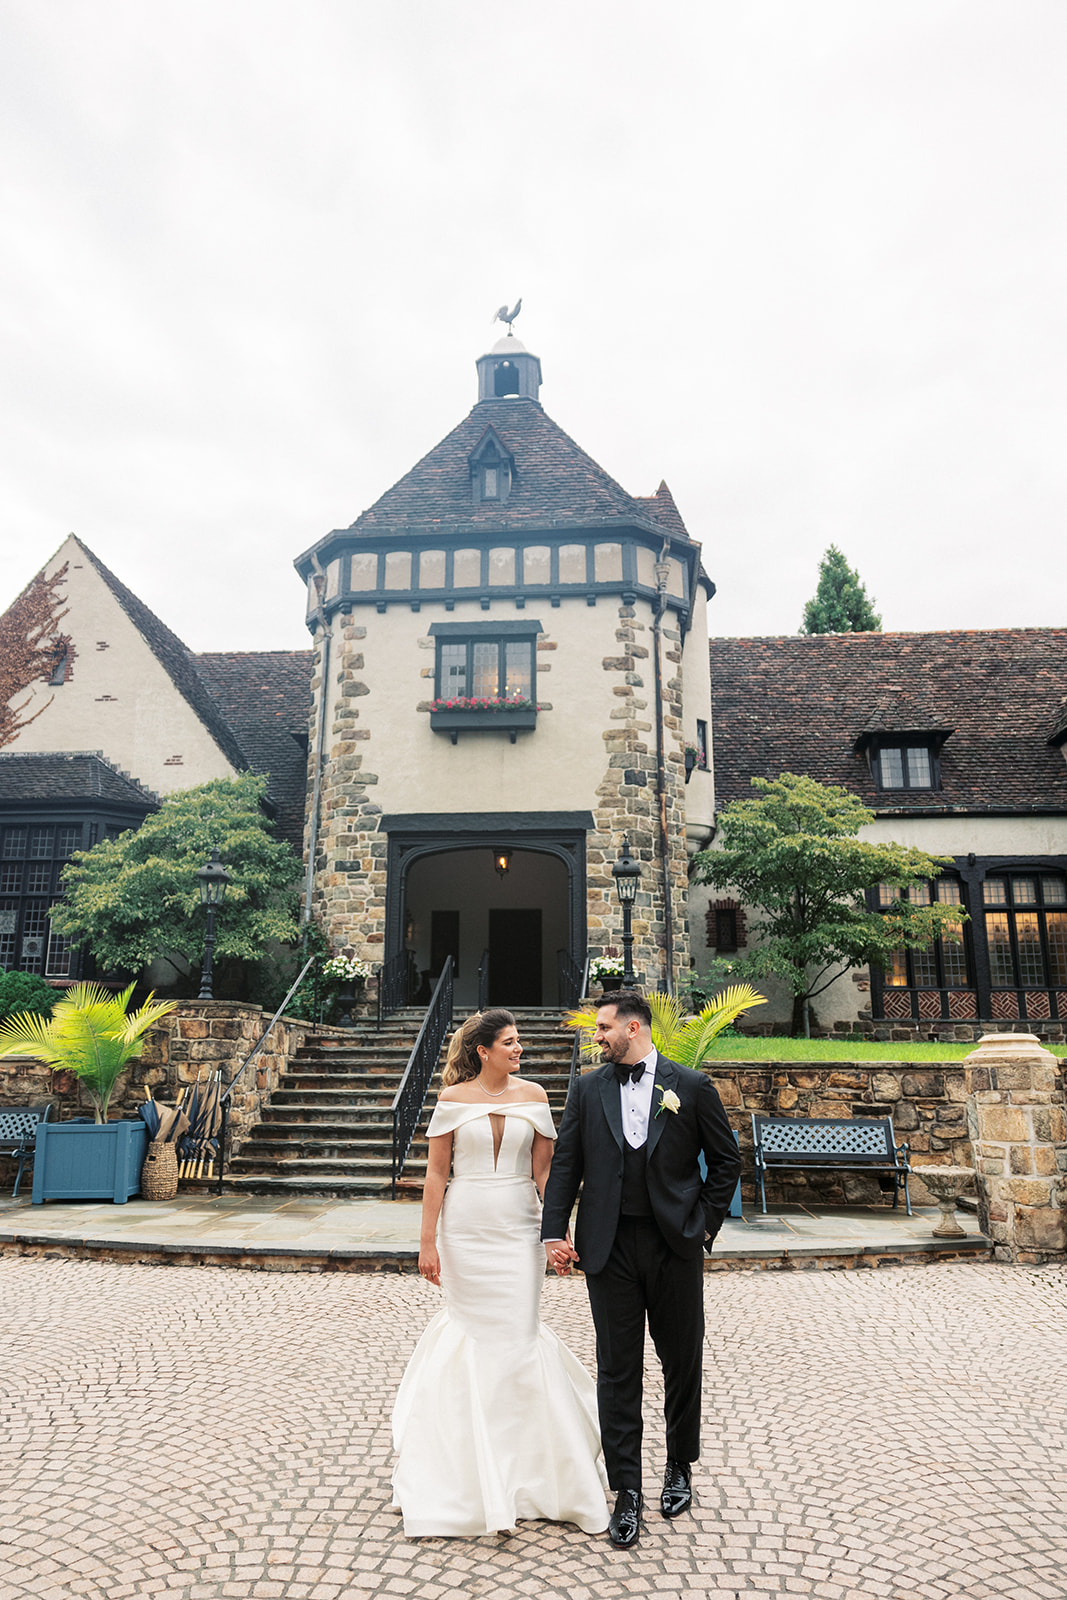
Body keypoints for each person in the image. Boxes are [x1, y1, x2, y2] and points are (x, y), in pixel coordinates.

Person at [391, 1008, 609, 1539]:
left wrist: (557, 1232)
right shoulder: (451, 1099)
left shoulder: (534, 1095)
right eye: (509, 1043)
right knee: (472, 1334)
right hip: (464, 1231)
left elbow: (544, 1171)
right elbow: (437, 1173)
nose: (519, 1050)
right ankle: (464, 1469)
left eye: (519, 1042)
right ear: (483, 1050)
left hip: (518, 1230)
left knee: (518, 1335)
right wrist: (426, 1243)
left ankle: (532, 1470)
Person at [540, 989, 741, 1548]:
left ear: (634, 1028)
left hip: (674, 1245)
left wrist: (704, 1225)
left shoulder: (692, 1087)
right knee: (618, 1368)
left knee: (681, 1360)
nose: (596, 1036)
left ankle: (680, 1465)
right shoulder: (586, 1088)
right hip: (607, 1248)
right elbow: (566, 1166)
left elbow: (726, 1161)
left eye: (604, 1027)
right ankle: (627, 1490)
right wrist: (554, 1230)